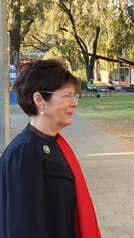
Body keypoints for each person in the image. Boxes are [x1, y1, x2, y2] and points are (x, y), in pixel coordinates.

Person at [0, 59, 101, 238]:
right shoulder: (24, 152)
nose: (74, 103)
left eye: (74, 96)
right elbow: (23, 226)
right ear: (39, 99)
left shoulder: (54, 144)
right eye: (67, 95)